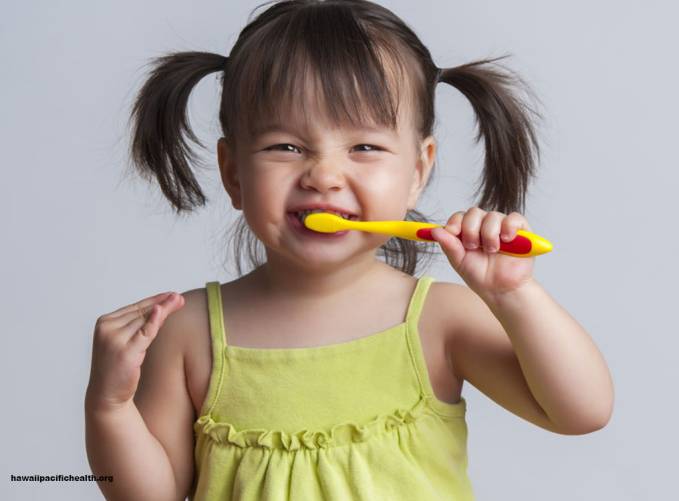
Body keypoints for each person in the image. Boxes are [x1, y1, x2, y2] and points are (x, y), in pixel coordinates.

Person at [84, 1, 615, 499]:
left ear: (417, 171)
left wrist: (515, 294)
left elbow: (581, 412)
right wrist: (109, 406)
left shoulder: (438, 321)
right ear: (233, 173)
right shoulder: (187, 332)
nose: (324, 176)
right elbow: (148, 494)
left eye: (364, 147)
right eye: (284, 147)